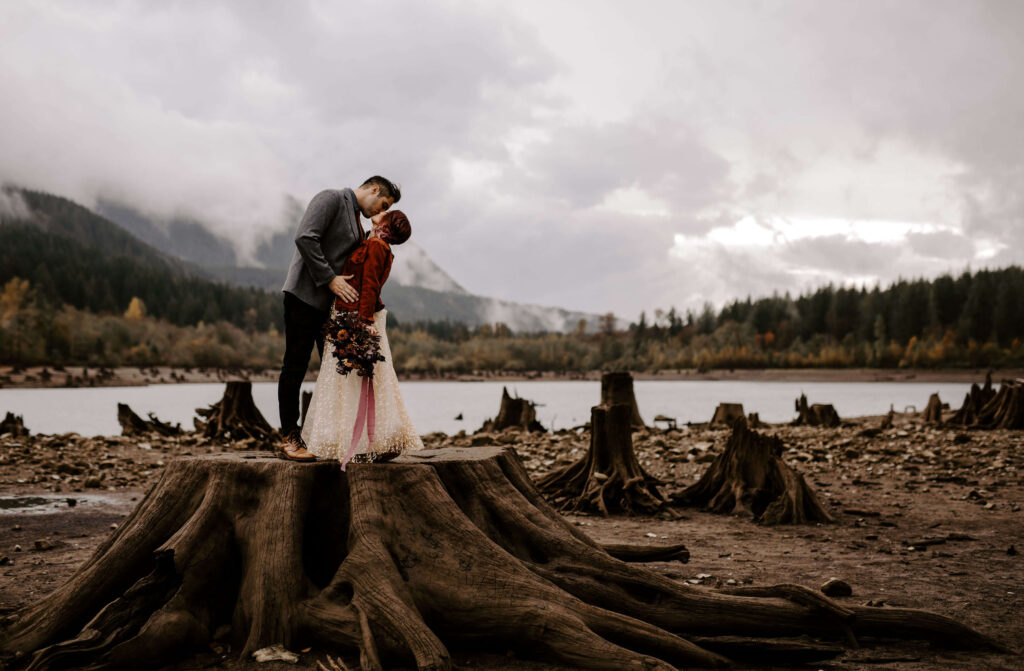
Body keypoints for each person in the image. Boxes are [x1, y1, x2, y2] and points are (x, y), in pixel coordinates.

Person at [277, 176, 400, 461]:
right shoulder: (331, 198)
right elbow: (305, 238)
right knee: (295, 365)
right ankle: (289, 437)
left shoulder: (358, 220)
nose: (381, 211)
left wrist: (374, 232)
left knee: (337, 371)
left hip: (330, 308)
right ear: (373, 189)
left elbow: (355, 258)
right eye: (383, 204)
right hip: (303, 296)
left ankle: (339, 440)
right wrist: (329, 279)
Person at [301, 210, 424, 467]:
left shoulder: (377, 247)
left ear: (388, 225)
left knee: (357, 379)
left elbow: (370, 284)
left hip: (357, 316)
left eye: (386, 213)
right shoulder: (372, 243)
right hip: (350, 314)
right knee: (346, 379)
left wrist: (365, 321)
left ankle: (366, 440)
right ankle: (351, 439)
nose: (380, 213)